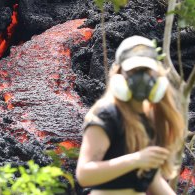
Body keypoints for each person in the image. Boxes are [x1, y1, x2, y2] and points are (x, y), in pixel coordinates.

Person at [76, 36, 184, 195]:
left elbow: (151, 181)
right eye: (133, 71)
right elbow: (84, 175)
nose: (141, 78)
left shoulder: (150, 119)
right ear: (119, 74)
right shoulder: (107, 115)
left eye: (147, 71)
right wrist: (137, 159)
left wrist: (141, 161)